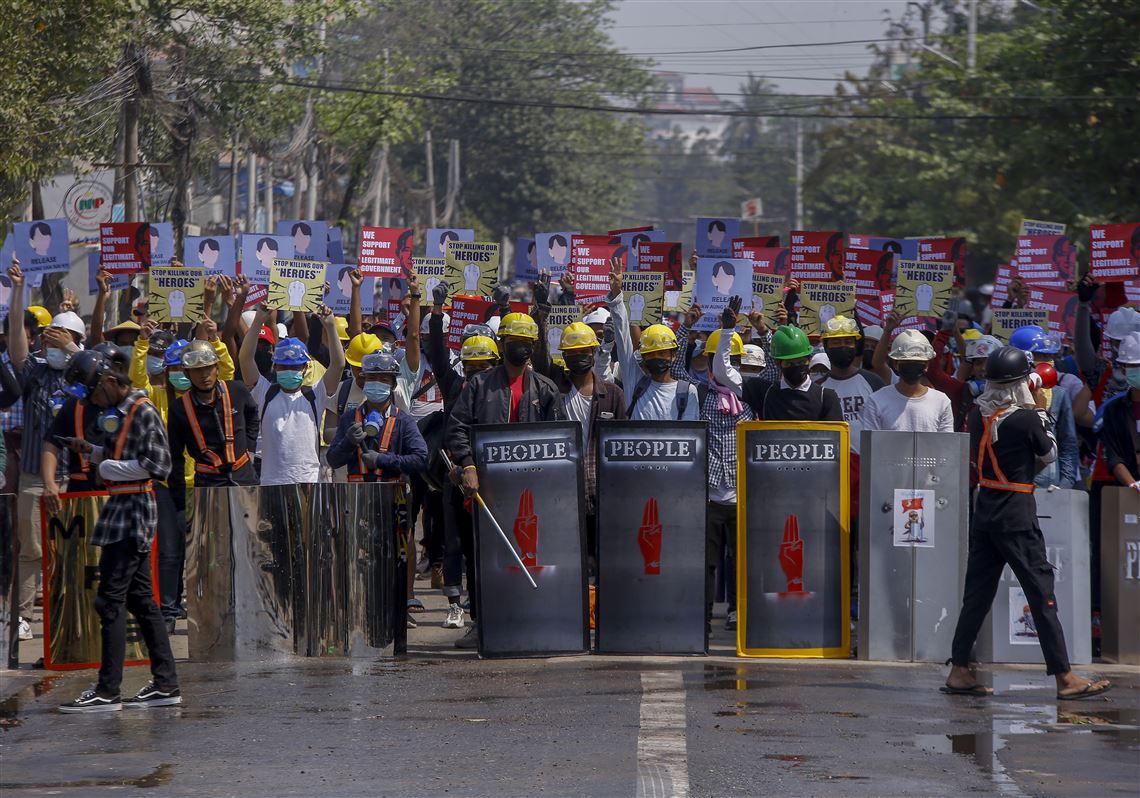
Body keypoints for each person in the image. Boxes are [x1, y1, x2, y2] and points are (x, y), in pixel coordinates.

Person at [944, 346, 1111, 700]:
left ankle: (959, 669)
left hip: (986, 508)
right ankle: (1065, 677)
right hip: (1017, 513)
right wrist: (1041, 409)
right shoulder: (1027, 417)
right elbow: (1048, 453)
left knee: (977, 593)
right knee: (1041, 593)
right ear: (1023, 383)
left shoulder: (978, 415)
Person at [56, 349, 180, 712]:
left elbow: (159, 465)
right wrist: (92, 452)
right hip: (121, 511)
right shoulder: (120, 413)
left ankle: (107, 690)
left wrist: (107, 466)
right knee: (141, 600)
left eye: (96, 393)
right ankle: (165, 683)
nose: (95, 401)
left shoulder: (143, 411)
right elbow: (121, 457)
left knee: (109, 601)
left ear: (111, 382)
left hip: (133, 512)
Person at [7, 259, 86, 636]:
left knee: (66, 551)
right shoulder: (36, 371)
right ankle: (23, 616)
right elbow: (18, 350)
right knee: (31, 550)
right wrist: (19, 290)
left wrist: (71, 349)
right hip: (34, 477)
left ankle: (64, 612)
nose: (49, 344)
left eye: (60, 340)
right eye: (48, 338)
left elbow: (98, 368)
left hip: (74, 479)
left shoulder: (85, 375)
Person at [239, 306, 344, 486]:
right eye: (284, 366)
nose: (289, 371)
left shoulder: (315, 395)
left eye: (295, 367)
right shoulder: (264, 393)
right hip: (271, 484)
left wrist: (331, 327)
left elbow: (338, 365)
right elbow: (245, 359)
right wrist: (258, 321)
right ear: (275, 367)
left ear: (305, 368)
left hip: (308, 482)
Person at [704, 298, 756, 630]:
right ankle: (704, 613)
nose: (730, 367)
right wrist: (725, 331)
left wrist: (736, 332)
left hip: (741, 494)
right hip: (709, 495)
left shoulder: (749, 392)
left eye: (738, 361)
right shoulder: (699, 394)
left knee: (741, 561)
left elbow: (728, 369)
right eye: (725, 361)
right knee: (707, 562)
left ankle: (739, 612)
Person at [166, 339, 259, 496]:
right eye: (197, 370)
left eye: (208, 368)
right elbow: (175, 457)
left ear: (217, 368)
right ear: (187, 373)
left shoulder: (237, 390)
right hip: (208, 484)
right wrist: (179, 500)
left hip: (244, 478)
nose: (204, 375)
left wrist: (250, 447)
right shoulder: (179, 409)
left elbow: (253, 415)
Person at [606, 267, 699, 421]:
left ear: (673, 355)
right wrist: (617, 296)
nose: (656, 357)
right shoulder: (634, 380)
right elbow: (623, 338)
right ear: (643, 357)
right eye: (650, 354)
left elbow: (691, 437)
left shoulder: (687, 391)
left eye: (662, 353)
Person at [326, 350, 428, 482]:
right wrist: (347, 443)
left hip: (391, 499)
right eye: (372, 378)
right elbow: (332, 460)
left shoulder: (403, 421)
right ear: (364, 382)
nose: (376, 383)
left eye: (383, 380)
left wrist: (382, 460)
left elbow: (421, 459)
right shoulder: (349, 418)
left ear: (393, 385)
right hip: (356, 498)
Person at [742, 325, 842, 421]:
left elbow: (835, 436)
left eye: (801, 362)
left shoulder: (826, 397)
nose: (796, 366)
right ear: (778, 363)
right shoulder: (764, 392)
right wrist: (728, 331)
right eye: (790, 363)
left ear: (809, 359)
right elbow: (728, 377)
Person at [862, 330, 954, 433]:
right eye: (907, 361)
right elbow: (872, 445)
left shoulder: (941, 402)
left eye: (917, 362)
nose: (912, 365)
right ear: (896, 364)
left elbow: (947, 445)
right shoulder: (876, 401)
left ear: (926, 365)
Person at [1095, 331, 1140, 493]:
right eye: (1133, 366)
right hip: (1127, 491)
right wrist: (1132, 484)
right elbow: (1113, 456)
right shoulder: (1113, 410)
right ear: (1123, 368)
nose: (1138, 370)